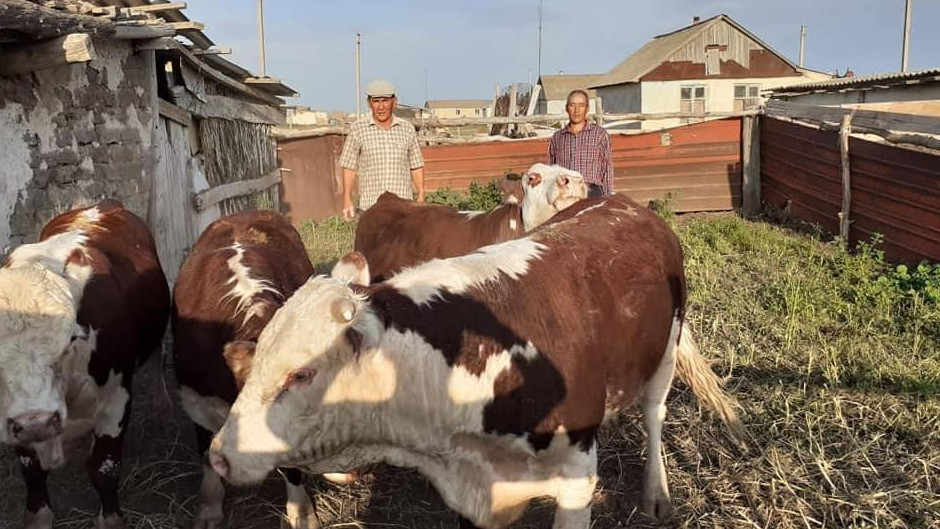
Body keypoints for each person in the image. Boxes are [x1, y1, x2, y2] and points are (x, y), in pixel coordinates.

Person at [339, 79, 425, 221]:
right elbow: (349, 166)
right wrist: (347, 199)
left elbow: (416, 164)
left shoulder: (407, 129)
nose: (380, 107)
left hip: (402, 209)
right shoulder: (358, 129)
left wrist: (421, 194)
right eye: (376, 101)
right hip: (370, 208)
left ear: (394, 102)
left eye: (385, 101)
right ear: (369, 103)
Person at [547, 89, 613, 198]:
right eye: (572, 105)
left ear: (587, 109)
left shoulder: (600, 134)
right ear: (566, 108)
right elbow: (551, 169)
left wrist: (608, 198)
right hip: (565, 191)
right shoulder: (558, 137)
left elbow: (607, 168)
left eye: (581, 105)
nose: (576, 110)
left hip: (590, 190)